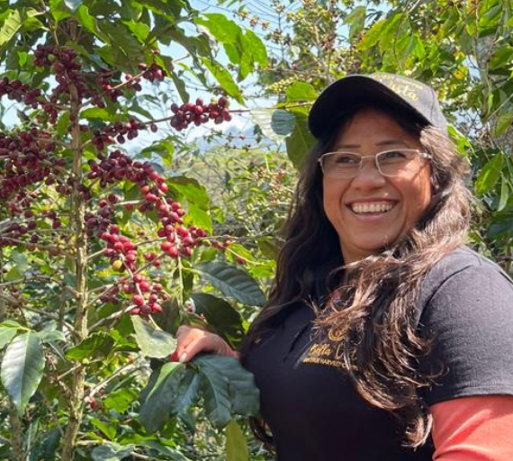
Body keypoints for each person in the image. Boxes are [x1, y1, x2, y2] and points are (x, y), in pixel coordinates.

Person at [173, 73, 513, 460]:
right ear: (321, 179)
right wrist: (224, 361)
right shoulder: (315, 288)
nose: (366, 180)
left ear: (436, 175)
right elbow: (318, 404)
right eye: (346, 159)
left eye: (394, 155)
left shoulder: (462, 290)